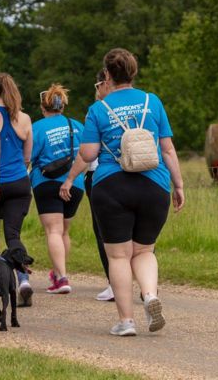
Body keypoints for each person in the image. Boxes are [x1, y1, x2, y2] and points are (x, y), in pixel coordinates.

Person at [76, 48, 184, 337]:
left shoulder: (98, 109)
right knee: (144, 250)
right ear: (133, 73)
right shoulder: (153, 101)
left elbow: (88, 153)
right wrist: (179, 185)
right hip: (154, 183)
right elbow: (168, 149)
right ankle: (149, 296)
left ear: (108, 75)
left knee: (120, 256)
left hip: (111, 186)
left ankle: (126, 322)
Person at [0, 73, 35, 304]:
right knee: (13, 234)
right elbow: (27, 158)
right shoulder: (24, 119)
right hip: (19, 183)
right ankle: (23, 279)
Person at [30, 83, 86, 297]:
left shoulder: (37, 128)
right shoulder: (78, 126)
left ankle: (61, 278)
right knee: (63, 231)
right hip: (75, 183)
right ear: (62, 106)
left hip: (47, 182)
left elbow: (30, 157)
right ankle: (58, 272)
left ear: (44, 108)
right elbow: (86, 154)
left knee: (53, 230)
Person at [62, 71, 113, 301]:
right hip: (137, 173)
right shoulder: (142, 102)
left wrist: (71, 178)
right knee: (138, 233)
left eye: (97, 84)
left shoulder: (97, 110)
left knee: (104, 231)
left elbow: (87, 154)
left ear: (104, 83)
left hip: (101, 175)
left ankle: (114, 282)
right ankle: (146, 285)